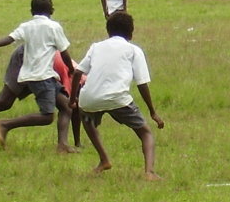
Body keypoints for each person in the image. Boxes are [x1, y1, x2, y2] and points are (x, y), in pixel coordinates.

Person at [0, 0, 76, 153]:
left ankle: (62, 145)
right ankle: (5, 124)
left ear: (31, 11)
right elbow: (64, 52)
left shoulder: (27, 26)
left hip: (34, 76)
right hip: (42, 77)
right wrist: (71, 69)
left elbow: (9, 39)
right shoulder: (54, 27)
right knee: (47, 117)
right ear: (52, 10)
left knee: (66, 107)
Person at [69, 12, 164, 181]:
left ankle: (104, 160)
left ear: (108, 30)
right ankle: (149, 172)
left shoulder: (96, 46)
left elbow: (77, 73)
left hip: (89, 99)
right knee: (146, 133)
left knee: (89, 123)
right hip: (118, 98)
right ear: (131, 31)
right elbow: (142, 84)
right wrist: (152, 112)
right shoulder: (133, 50)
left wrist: (72, 100)